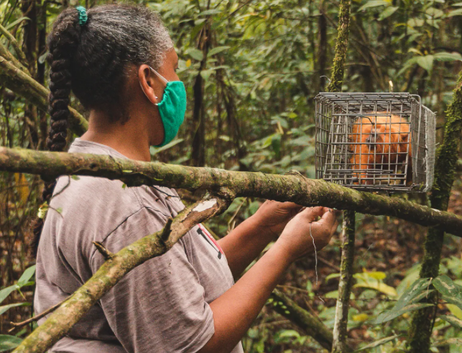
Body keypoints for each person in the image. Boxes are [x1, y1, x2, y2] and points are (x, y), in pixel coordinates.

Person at [33, 4, 339, 353]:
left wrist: (265, 228)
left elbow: (173, 281)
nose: (178, 83)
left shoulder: (104, 169)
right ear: (149, 82)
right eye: (174, 69)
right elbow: (192, 345)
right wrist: (285, 251)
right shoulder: (124, 202)